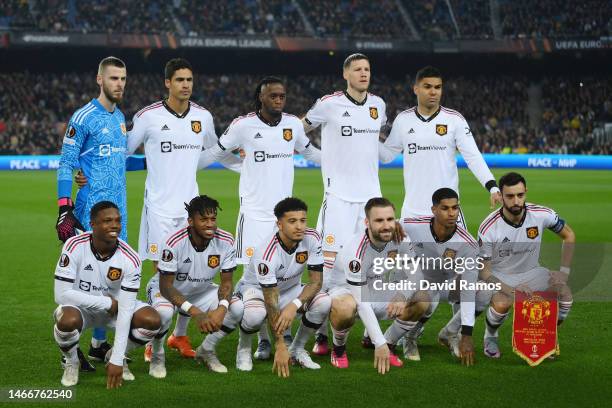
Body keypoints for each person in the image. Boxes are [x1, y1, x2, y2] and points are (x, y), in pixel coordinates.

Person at [198, 77, 321, 359]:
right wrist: (186, 167)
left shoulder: (292, 124)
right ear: (261, 98)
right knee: (256, 278)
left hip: (284, 217)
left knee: (285, 274)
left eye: (282, 95)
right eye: (273, 96)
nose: (279, 100)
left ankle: (281, 331)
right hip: (253, 215)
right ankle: (262, 337)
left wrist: (338, 162)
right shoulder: (243, 125)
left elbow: (310, 152)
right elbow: (218, 152)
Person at [126, 58, 241, 360]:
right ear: (167, 83)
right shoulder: (147, 117)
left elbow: (213, 151)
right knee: (165, 275)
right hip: (159, 210)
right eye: (180, 80)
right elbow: (123, 151)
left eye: (189, 80)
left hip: (191, 207)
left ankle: (179, 336)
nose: (186, 85)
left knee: (195, 274)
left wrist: (247, 165)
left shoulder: (202, 116)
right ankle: (156, 339)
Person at [56, 56, 145, 364]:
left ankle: (98, 344)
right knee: (84, 282)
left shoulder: (121, 117)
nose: (119, 84)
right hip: (90, 212)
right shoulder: (83, 117)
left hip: (118, 212)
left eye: (123, 78)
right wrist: (64, 208)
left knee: (114, 278)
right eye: (113, 78)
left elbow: (117, 161)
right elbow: (66, 163)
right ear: (100, 80)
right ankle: (70, 348)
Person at [302, 53, 390, 355]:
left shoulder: (379, 106)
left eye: (367, 69)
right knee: (327, 271)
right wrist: (315, 156)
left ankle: (370, 332)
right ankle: (321, 335)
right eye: (357, 69)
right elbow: (298, 130)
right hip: (338, 199)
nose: (364, 73)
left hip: (370, 202)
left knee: (374, 267)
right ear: (345, 74)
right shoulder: (328, 104)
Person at [53, 201, 161, 388]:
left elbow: (126, 310)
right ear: (93, 224)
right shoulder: (74, 246)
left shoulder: (131, 258)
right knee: (66, 320)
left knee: (152, 321)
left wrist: (117, 360)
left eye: (118, 221)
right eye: (107, 221)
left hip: (117, 309)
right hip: (82, 309)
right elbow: (61, 295)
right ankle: (72, 361)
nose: (115, 225)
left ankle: (115, 354)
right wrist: (105, 303)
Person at [379, 66, 502, 225]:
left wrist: (492, 186)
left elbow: (473, 156)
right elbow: (387, 155)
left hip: (447, 212)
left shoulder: (454, 119)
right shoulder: (403, 119)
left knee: (456, 251)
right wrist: (366, 137)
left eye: (438, 87)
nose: (433, 92)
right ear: (416, 89)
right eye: (427, 87)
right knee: (408, 251)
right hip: (412, 213)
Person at [474, 172, 574, 359]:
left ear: (526, 192)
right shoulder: (488, 227)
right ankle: (491, 336)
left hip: (532, 272)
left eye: (520, 195)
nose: (516, 201)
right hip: (500, 275)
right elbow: (485, 272)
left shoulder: (542, 214)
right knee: (503, 303)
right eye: (510, 196)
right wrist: (512, 291)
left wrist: (564, 273)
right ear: (500, 196)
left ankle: (545, 335)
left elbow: (569, 235)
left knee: (565, 295)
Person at [323, 197, 426, 372]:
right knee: (346, 307)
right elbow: (361, 300)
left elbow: (416, 274)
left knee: (422, 298)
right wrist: (379, 344)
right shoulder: (355, 250)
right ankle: (339, 348)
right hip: (346, 291)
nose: (386, 225)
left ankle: (389, 344)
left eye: (390, 219)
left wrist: (402, 295)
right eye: (379, 220)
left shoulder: (400, 238)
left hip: (376, 286)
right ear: (367, 222)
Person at [145, 195, 242, 377]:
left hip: (200, 290)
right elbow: (166, 286)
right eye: (203, 219)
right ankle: (157, 355)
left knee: (237, 308)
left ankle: (206, 349)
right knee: (164, 313)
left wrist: (222, 308)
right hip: (165, 290)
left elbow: (227, 281)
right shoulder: (173, 242)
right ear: (190, 221)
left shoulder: (226, 240)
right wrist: (195, 312)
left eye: (213, 219)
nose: (210, 224)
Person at [234, 197, 330, 377]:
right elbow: (271, 300)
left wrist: (293, 305)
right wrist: (279, 345)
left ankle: (297, 349)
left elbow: (316, 282)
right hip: (256, 290)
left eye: (303, 220)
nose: (299, 226)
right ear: (279, 224)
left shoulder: (312, 237)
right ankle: (244, 348)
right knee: (255, 316)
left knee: (324, 302)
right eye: (292, 221)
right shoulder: (267, 252)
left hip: (290, 289)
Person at [400, 188, 479, 366]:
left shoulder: (468, 243)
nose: (452, 213)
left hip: (444, 282)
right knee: (428, 298)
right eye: (445, 208)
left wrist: (467, 335)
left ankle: (450, 333)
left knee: (481, 292)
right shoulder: (412, 225)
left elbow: (467, 288)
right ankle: (409, 338)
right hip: (414, 280)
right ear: (434, 210)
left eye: (455, 208)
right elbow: (383, 229)